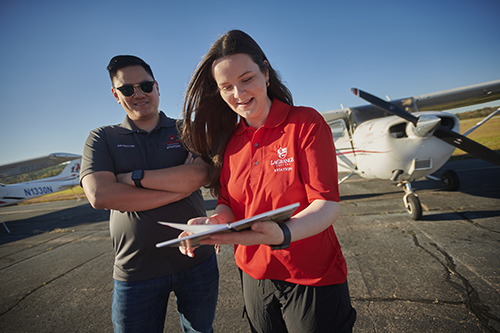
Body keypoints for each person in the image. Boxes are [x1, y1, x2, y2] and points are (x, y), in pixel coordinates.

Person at [179, 30, 357, 333]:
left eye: (246, 79)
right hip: (255, 276)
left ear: (266, 72)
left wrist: (283, 234)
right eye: (226, 87)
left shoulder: (304, 123)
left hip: (311, 276)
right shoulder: (230, 141)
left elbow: (326, 205)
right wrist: (214, 222)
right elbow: (228, 203)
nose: (238, 94)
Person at [80, 55, 218, 333]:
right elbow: (101, 195)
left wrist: (133, 179)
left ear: (156, 86)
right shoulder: (102, 138)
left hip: (196, 260)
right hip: (136, 270)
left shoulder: (186, 129)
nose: (138, 94)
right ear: (115, 95)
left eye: (144, 85)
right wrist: (179, 187)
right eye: (127, 89)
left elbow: (200, 175)